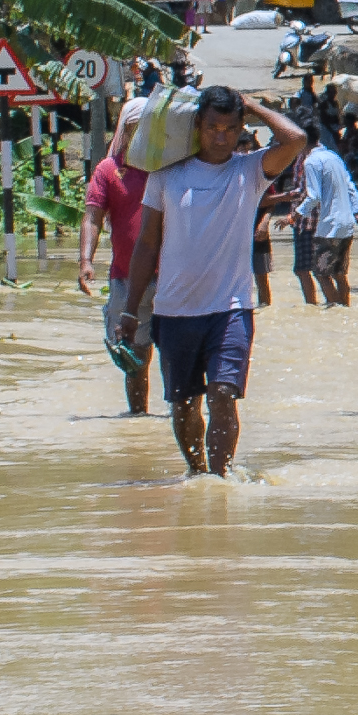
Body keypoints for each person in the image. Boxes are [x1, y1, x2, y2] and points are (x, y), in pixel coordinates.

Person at [117, 85, 310, 477]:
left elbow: (297, 139)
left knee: (223, 395)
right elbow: (146, 246)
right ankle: (198, 473)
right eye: (211, 127)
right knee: (184, 404)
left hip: (230, 310)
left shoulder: (249, 171)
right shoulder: (166, 177)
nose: (220, 136)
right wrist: (129, 310)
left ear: (241, 128)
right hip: (173, 312)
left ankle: (219, 480)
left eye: (229, 128)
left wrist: (253, 105)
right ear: (197, 128)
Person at [76, 108, 155, 414]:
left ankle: (179, 419)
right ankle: (138, 421)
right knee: (134, 359)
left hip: (173, 277)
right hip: (125, 277)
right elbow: (93, 217)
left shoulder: (169, 168)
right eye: (135, 127)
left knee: (178, 355)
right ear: (124, 129)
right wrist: (85, 260)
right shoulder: (108, 171)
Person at [290, 115, 358, 306]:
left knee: (321, 274)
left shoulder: (310, 161)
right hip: (345, 224)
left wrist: (294, 215)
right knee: (339, 274)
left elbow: (313, 196)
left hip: (325, 225)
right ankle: (345, 310)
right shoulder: (335, 157)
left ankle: (336, 311)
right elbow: (351, 188)